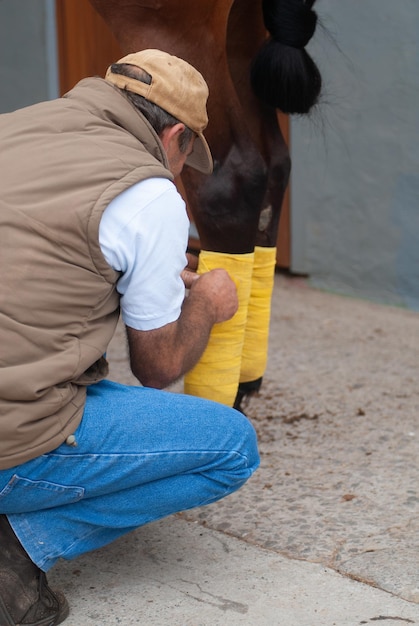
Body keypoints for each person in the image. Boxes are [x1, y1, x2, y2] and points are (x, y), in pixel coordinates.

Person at [0, 49, 260, 625]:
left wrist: (152, 277)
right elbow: (158, 366)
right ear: (174, 136)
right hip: (7, 440)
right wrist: (205, 305)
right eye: (186, 154)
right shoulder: (149, 195)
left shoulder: (13, 127)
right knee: (230, 449)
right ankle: (16, 548)